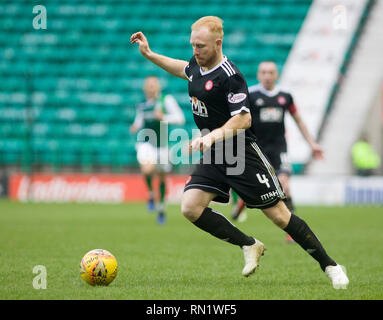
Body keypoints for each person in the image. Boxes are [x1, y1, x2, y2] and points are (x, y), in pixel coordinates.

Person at [130, 16, 349, 289]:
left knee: (280, 216)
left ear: (218, 43)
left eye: (200, 46)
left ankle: (331, 265)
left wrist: (213, 136)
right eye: (193, 45)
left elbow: (244, 119)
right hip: (213, 151)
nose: (195, 51)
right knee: (190, 207)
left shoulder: (230, 76)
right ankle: (248, 244)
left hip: (240, 152)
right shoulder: (196, 64)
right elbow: (183, 69)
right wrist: (150, 55)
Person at [232, 61, 325, 244]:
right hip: (257, 148)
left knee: (284, 185)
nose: (267, 76)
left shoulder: (285, 97)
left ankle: (291, 231)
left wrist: (312, 144)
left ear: (277, 75)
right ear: (259, 75)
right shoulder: (251, 95)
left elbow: (298, 120)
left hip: (279, 148)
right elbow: (239, 120)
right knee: (258, 185)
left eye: (271, 72)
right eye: (264, 72)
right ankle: (244, 201)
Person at [130, 76, 185, 224]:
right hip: (146, 142)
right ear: (144, 88)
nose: (150, 88)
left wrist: (164, 117)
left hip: (162, 145)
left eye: (153, 85)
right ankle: (150, 193)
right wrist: (135, 126)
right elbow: (140, 119)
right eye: (148, 85)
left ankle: (161, 207)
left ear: (158, 87)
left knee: (161, 177)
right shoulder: (141, 104)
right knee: (147, 169)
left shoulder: (166, 100)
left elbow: (180, 118)